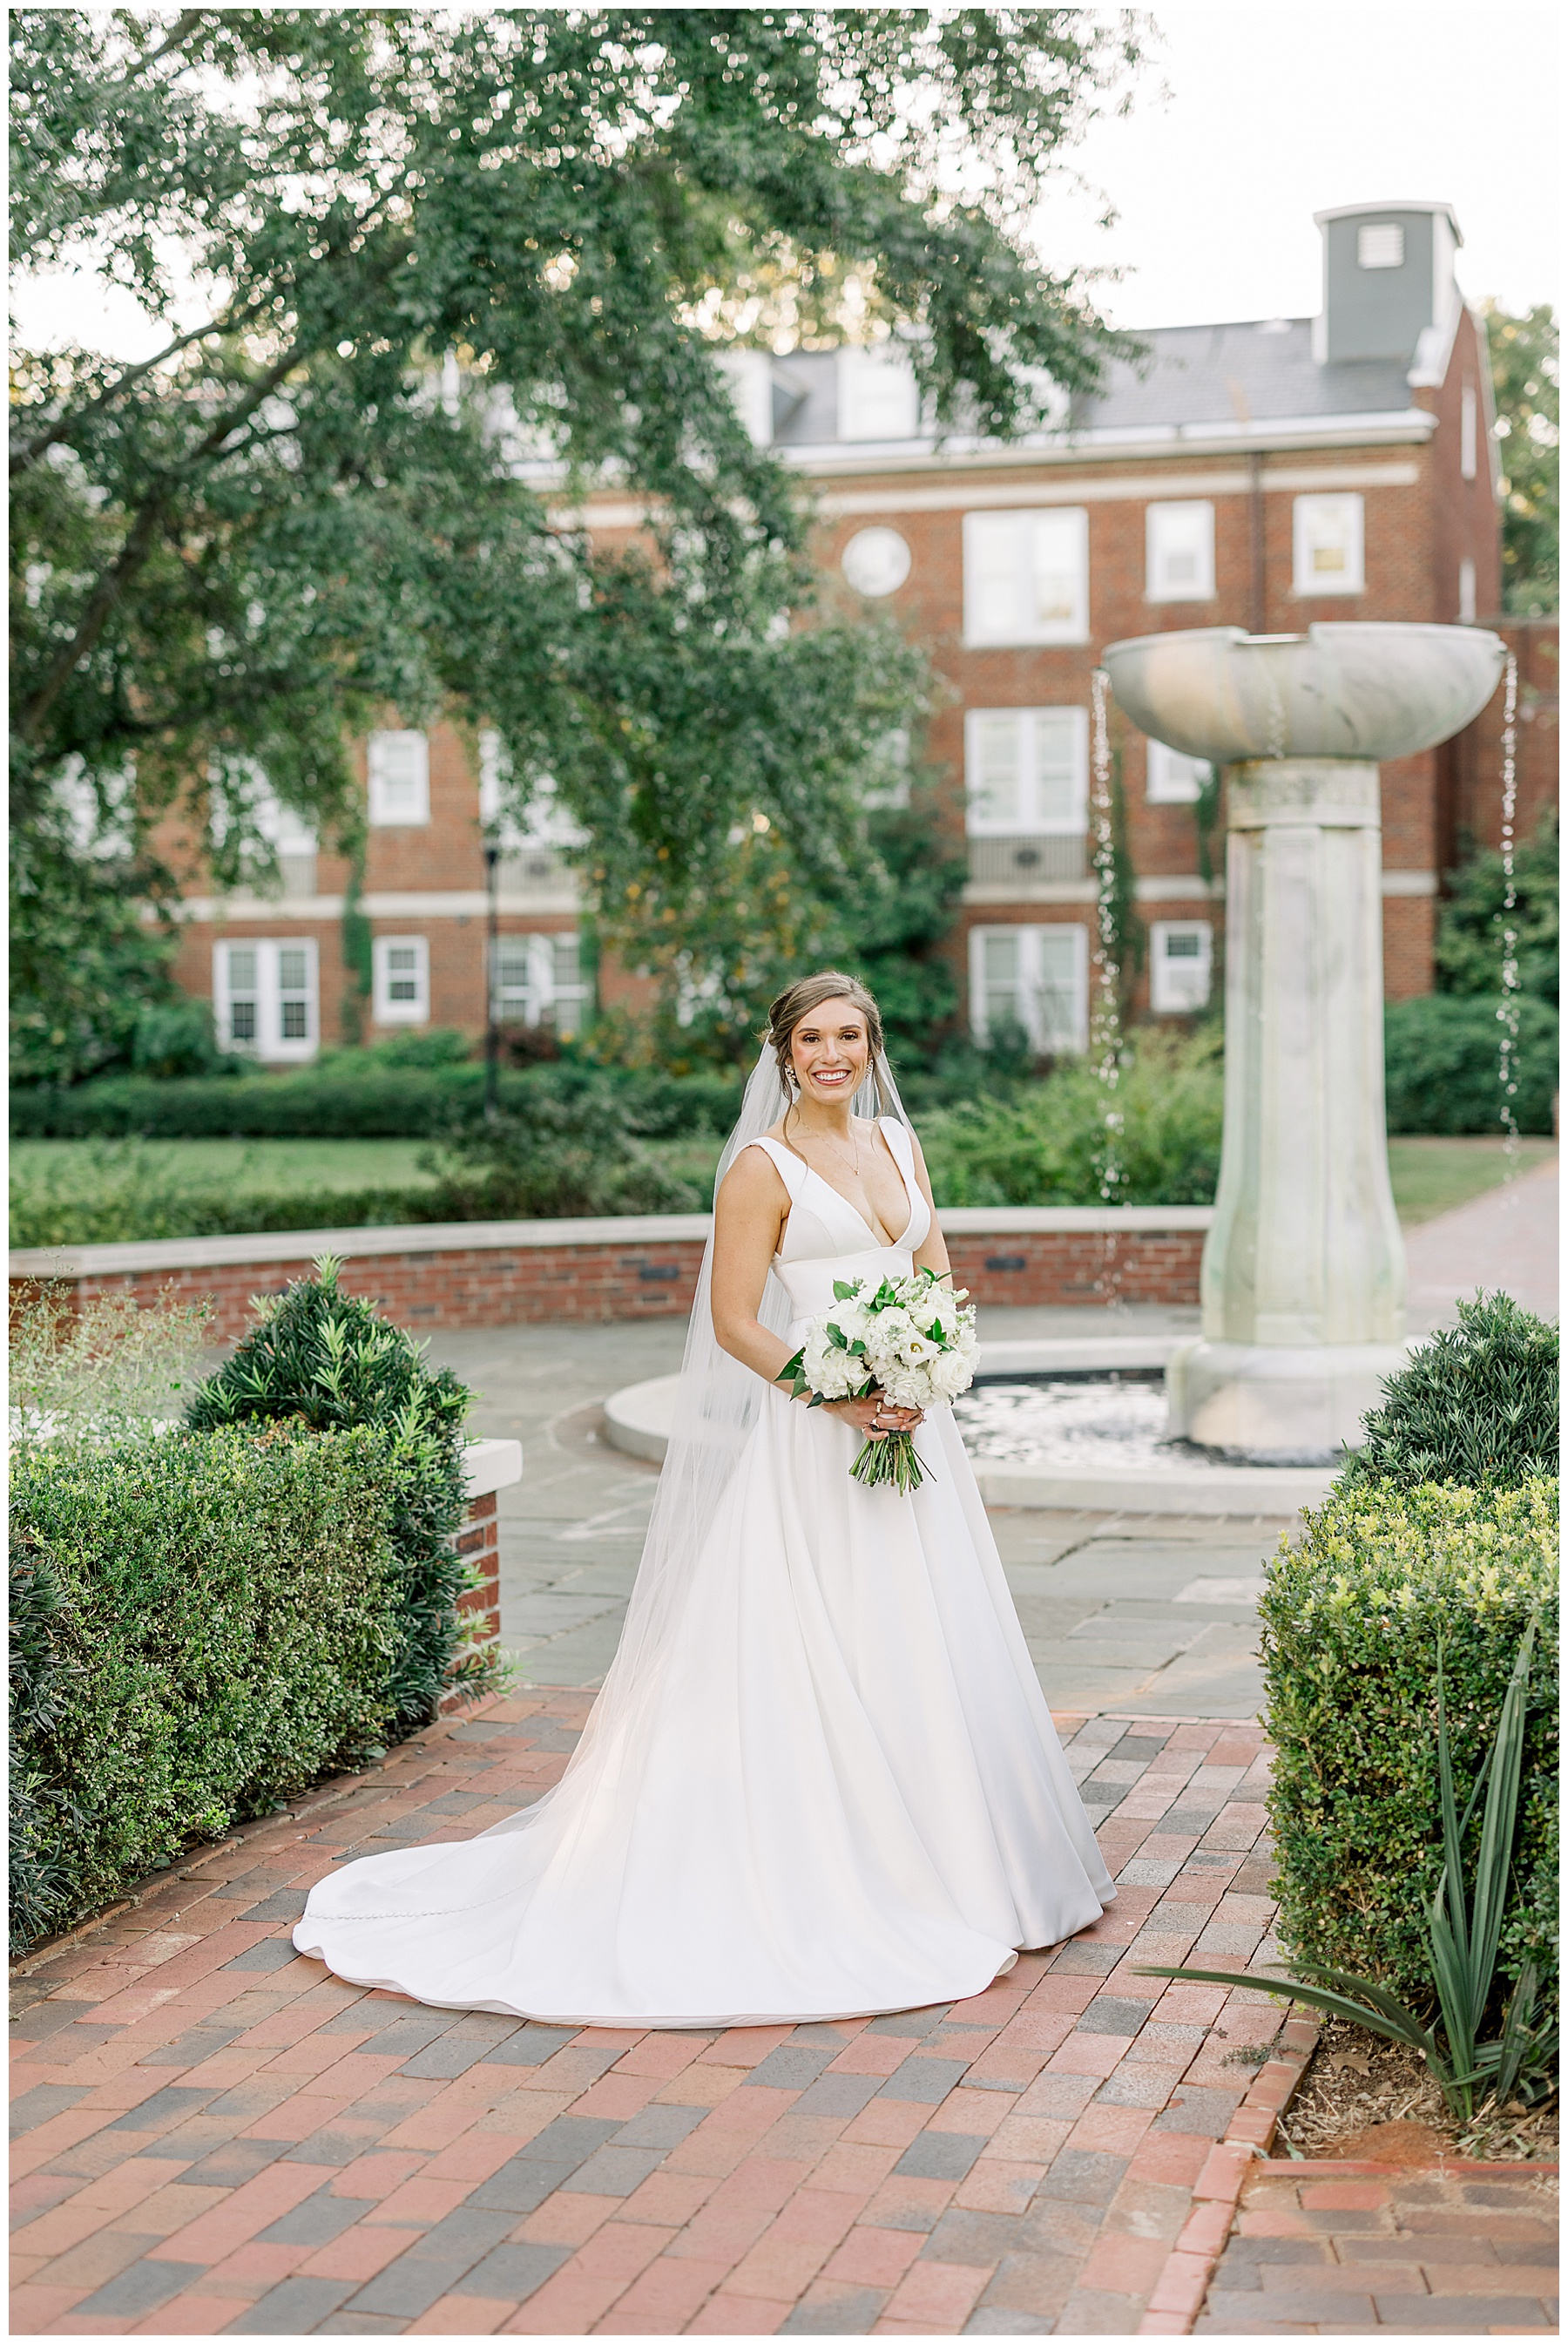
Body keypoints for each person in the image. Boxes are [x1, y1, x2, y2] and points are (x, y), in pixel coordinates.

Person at [294, 971, 1114, 2023]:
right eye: (813, 1037)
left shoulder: (900, 1146)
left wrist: (930, 1363)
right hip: (818, 1436)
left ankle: (966, 1859)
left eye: (851, 1036)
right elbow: (737, 1322)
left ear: (873, 1046)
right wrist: (845, 1395)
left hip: (916, 1431)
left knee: (929, 1626)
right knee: (818, 1632)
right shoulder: (761, 1168)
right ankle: (843, 1870)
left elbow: (935, 1275)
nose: (834, 1054)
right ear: (782, 1051)